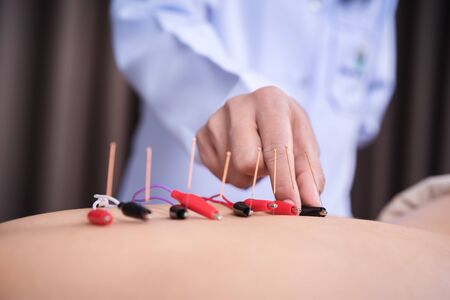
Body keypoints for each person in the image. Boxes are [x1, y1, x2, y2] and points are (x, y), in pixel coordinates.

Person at [111, 0, 397, 216]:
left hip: (327, 229)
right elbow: (148, 18)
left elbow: (368, 104)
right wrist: (220, 96)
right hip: (181, 221)